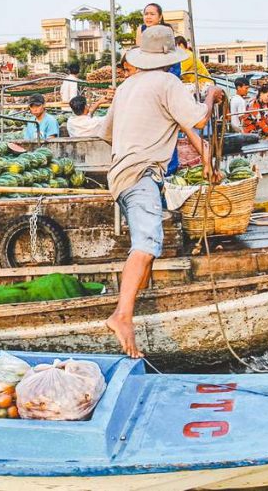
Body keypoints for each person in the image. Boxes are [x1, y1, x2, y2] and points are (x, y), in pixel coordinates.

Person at [99, 25, 223, 358]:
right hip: (141, 177)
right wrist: (211, 95)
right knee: (146, 244)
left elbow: (107, 132)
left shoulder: (127, 86)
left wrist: (205, 157)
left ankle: (136, 304)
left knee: (147, 249)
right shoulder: (168, 82)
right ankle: (122, 315)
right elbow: (198, 121)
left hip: (122, 176)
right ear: (170, 59)